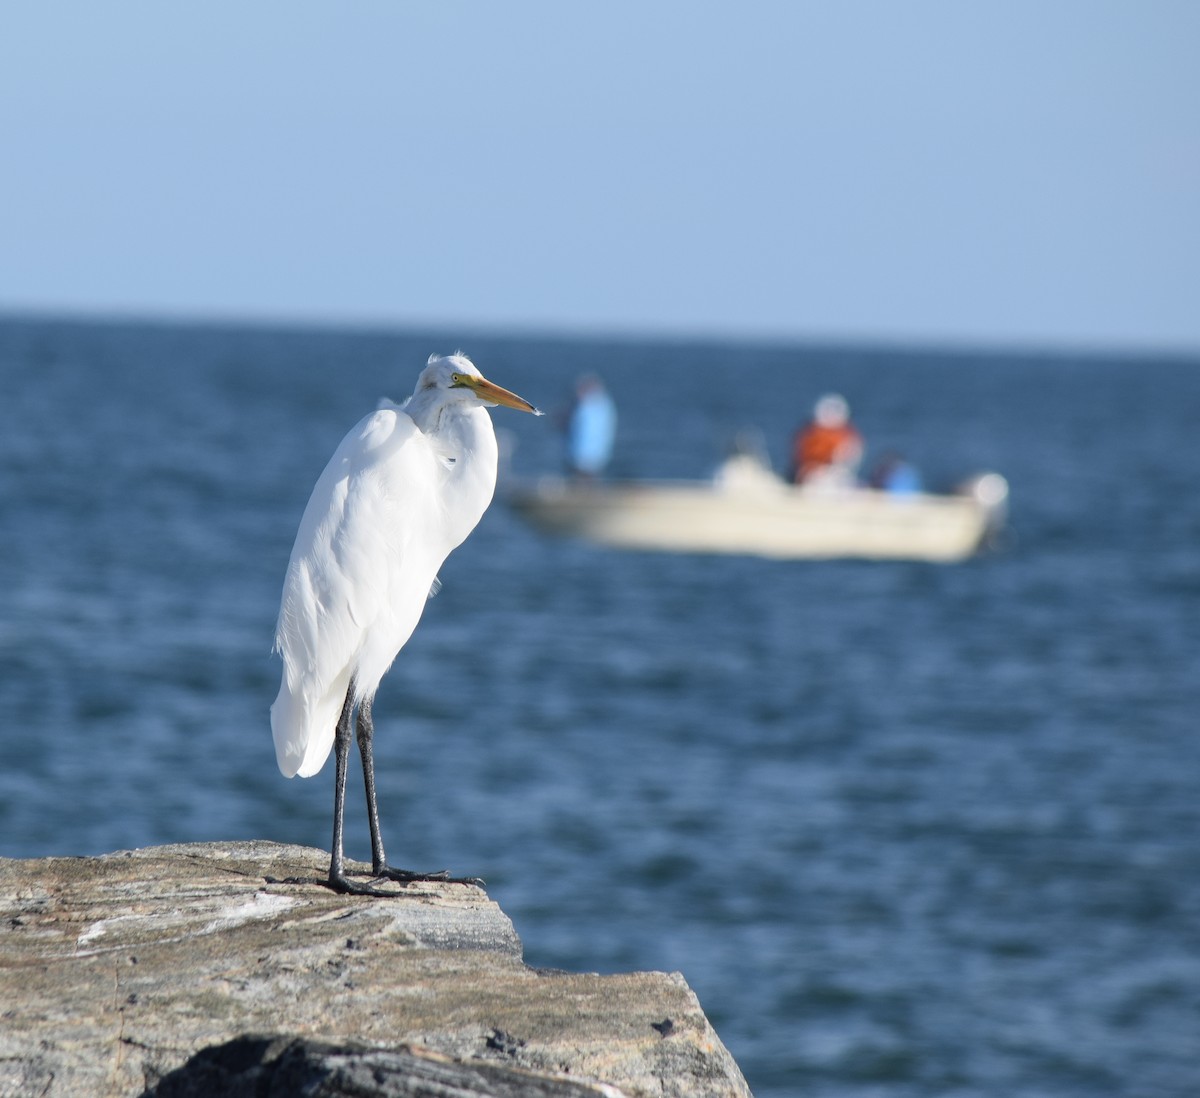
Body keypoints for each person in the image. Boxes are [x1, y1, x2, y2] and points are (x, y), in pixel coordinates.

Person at [790, 393, 863, 486]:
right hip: (811, 478)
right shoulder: (809, 435)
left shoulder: (847, 437)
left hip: (834, 479)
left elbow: (847, 463)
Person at [563, 374, 617, 477]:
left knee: (583, 477)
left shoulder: (588, 407)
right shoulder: (604, 405)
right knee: (586, 476)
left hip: (585, 453)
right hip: (596, 454)